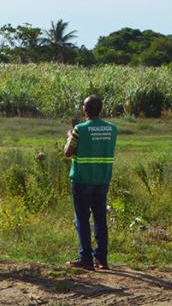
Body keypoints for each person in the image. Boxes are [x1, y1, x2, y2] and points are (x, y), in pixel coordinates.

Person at [64, 95, 117, 271]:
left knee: (82, 219)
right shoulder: (112, 129)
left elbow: (68, 152)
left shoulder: (79, 129)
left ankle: (86, 258)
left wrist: (69, 136)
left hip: (82, 179)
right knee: (100, 219)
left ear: (84, 110)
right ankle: (102, 259)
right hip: (102, 179)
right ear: (99, 110)